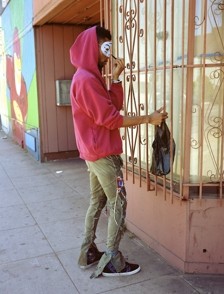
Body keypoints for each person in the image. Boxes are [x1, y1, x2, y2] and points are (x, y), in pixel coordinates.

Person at [69, 25, 167, 278]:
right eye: (105, 48)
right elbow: (111, 119)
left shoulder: (89, 77)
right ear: (93, 48)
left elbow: (111, 104)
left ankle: (87, 252)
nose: (108, 54)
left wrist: (117, 76)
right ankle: (112, 259)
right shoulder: (87, 80)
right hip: (103, 154)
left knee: (98, 201)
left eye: (109, 48)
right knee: (118, 203)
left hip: (95, 152)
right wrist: (149, 118)